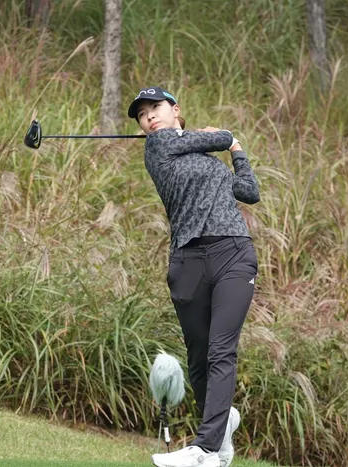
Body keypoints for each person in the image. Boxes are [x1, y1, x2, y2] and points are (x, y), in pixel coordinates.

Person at [127, 86, 260, 467]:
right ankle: (221, 426)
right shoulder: (158, 147)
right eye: (143, 114)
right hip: (188, 261)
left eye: (156, 107)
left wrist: (237, 152)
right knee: (199, 357)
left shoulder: (208, 162)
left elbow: (249, 190)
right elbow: (221, 136)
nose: (149, 116)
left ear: (176, 109)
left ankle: (205, 449)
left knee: (221, 349)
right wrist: (227, 138)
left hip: (233, 254)